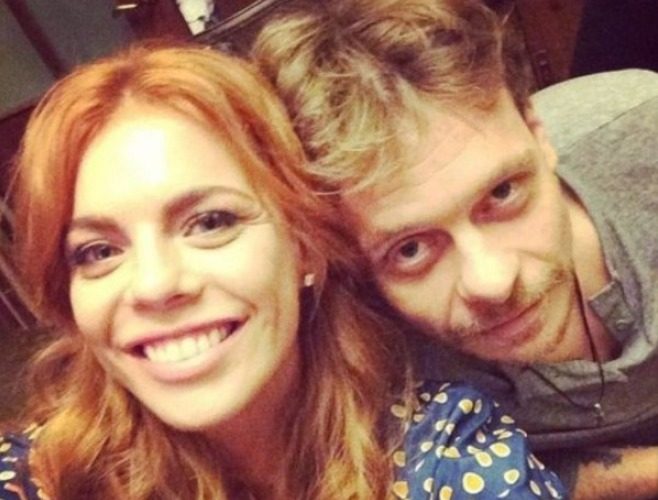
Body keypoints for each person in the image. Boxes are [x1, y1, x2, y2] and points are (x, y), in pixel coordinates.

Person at [0, 44, 565, 499]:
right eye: (98, 252)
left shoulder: (445, 453)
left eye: (210, 222)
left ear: (303, 246)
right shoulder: (36, 475)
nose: (154, 285)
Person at [251, 0, 658, 498]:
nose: (492, 281)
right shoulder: (375, 362)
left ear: (537, 133)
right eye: (410, 250)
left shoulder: (644, 133)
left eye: (503, 193)